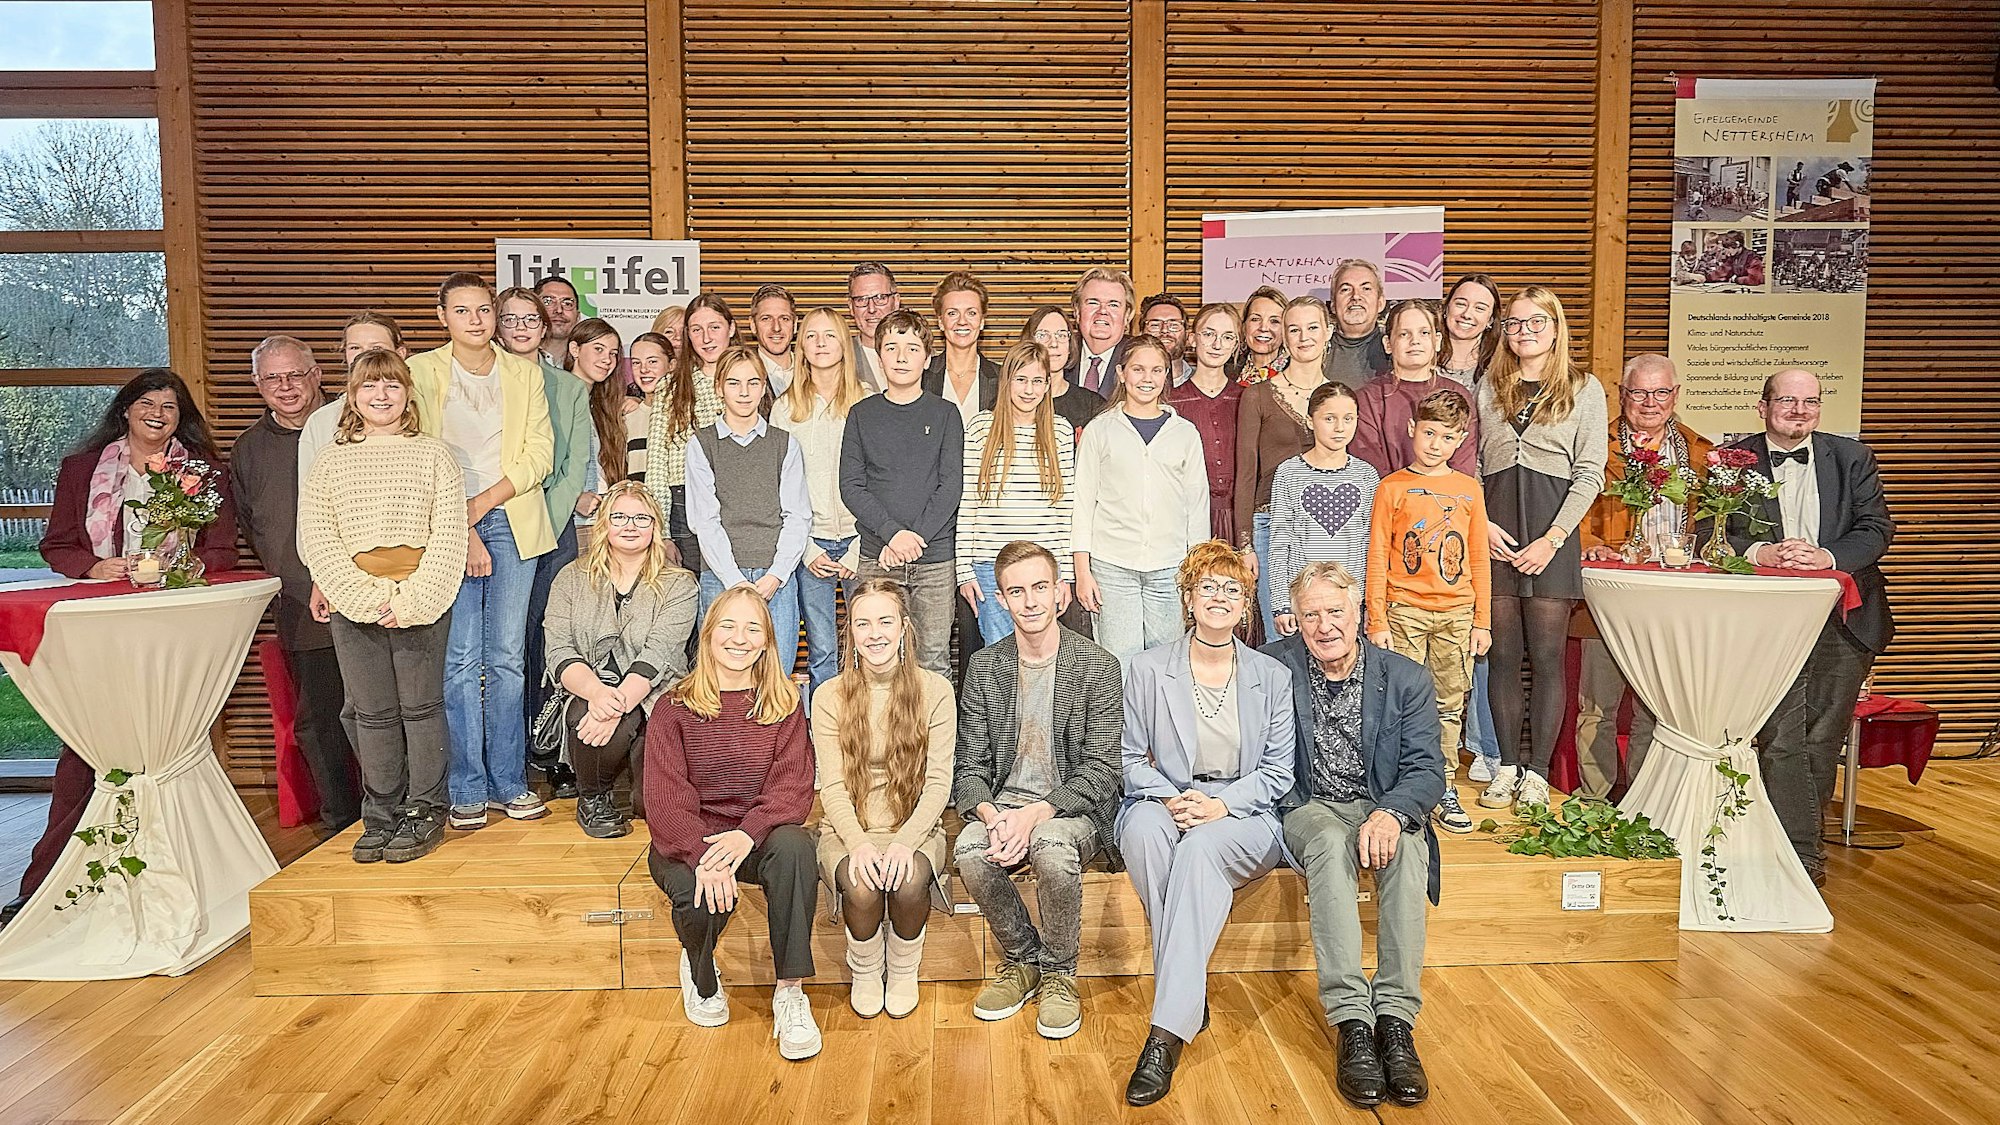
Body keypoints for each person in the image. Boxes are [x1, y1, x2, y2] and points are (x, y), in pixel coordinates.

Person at [11, 370, 241, 926]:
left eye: (169, 405)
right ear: (125, 410)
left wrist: (177, 568)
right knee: (88, 746)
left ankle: (178, 882)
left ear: (181, 417)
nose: (158, 413)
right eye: (147, 403)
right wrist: (95, 566)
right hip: (100, 625)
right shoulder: (82, 469)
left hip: (171, 627)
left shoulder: (205, 472)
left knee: (168, 743)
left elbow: (223, 550)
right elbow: (57, 544)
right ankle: (44, 885)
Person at [1116, 541, 1294, 1106]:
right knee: (1142, 833)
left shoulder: (1272, 676)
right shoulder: (1146, 668)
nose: (1219, 597)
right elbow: (1130, 759)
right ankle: (1188, 988)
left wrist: (1221, 806)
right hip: (1167, 797)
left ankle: (1165, 1033)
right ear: (1188, 599)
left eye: (1231, 589)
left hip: (1244, 812)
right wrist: (1174, 799)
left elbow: (1278, 772)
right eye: (1207, 587)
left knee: (1198, 851)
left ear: (1246, 605)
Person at [1265, 561, 1443, 1110]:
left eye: (1335, 611)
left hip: (1379, 802)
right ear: (1295, 620)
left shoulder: (1406, 678)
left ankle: (1395, 1020)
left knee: (1407, 848)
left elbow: (1427, 769)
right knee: (1327, 841)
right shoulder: (1272, 667)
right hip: (1309, 804)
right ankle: (1352, 1024)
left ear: (1358, 609)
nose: (1324, 626)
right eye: (1310, 615)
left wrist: (1392, 813)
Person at [298, 349, 468, 864]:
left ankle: (425, 810)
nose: (381, 395)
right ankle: (381, 813)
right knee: (372, 713)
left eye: (392, 385)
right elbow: (318, 537)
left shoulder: (435, 455)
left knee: (421, 708)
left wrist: (413, 599)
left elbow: (449, 535)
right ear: (352, 397)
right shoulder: (331, 460)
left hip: (421, 596)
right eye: (369, 386)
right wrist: (365, 598)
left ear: (407, 394)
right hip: (356, 600)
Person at [953, 541, 1124, 1040]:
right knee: (969, 850)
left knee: (1049, 846)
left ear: (1060, 593)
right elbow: (969, 768)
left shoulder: (1098, 665)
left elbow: (1103, 771)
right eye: (1016, 591)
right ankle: (1024, 958)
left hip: (1074, 809)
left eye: (1039, 588)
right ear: (1001, 599)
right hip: (1006, 806)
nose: (1029, 601)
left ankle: (1060, 972)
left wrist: (1036, 815)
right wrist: (992, 816)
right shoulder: (985, 666)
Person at [1730, 369, 1895, 887]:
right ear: (1763, 407)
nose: (1799, 410)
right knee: (1781, 737)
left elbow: (1877, 529)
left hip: (1844, 619)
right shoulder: (1732, 459)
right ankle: (1798, 858)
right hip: (1769, 622)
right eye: (1787, 400)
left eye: (1810, 401)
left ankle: (1797, 851)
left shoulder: (1852, 458)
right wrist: (1762, 552)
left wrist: (1827, 556)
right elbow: (1716, 530)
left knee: (1822, 738)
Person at [407, 272, 558, 831]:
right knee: (461, 660)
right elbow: (418, 450)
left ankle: (510, 782)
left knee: (508, 657)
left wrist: (485, 502)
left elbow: (540, 453)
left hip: (512, 516)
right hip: (444, 521)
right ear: (442, 317)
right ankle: (466, 786)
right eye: (462, 310)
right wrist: (462, 521)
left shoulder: (524, 372)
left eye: (483, 310)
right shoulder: (420, 371)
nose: (475, 320)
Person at [643, 585, 820, 1059]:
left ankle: (790, 992)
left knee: (797, 847)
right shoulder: (673, 708)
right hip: (688, 839)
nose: (739, 638)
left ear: (767, 641)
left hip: (754, 837)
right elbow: (665, 801)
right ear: (708, 634)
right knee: (700, 896)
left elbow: (792, 789)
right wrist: (706, 856)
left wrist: (746, 835)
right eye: (728, 626)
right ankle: (700, 973)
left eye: (752, 628)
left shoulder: (784, 704)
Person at [1474, 286, 1607, 812]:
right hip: (1496, 531)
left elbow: (1590, 472)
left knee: (1548, 658)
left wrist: (1553, 539)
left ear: (1555, 328)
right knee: (1503, 656)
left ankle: (1537, 774)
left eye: (1536, 322)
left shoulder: (1584, 388)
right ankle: (1506, 766)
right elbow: (1473, 464)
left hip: (1552, 535)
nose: (1524, 331)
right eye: (1514, 323)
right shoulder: (1489, 386)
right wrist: (1482, 523)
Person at [231, 334, 361, 835]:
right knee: (319, 719)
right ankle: (341, 822)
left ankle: (392, 812)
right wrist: (299, 581)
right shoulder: (249, 450)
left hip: (370, 595)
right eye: (273, 378)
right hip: (302, 603)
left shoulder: (354, 424)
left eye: (295, 374)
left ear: (317, 375)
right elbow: (255, 529)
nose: (286, 386)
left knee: (380, 712)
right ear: (257, 384)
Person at [811, 579, 956, 1019]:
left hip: (914, 827)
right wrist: (858, 844)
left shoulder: (936, 691)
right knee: (862, 885)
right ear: (850, 633)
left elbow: (938, 784)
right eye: (863, 624)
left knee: (909, 880)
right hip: (848, 828)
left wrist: (904, 842)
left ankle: (905, 968)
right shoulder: (828, 696)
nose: (874, 633)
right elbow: (832, 787)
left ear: (904, 628)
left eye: (885, 621)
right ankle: (867, 969)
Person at [1574, 354, 1713, 799]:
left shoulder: (1700, 452)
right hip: (1610, 597)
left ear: (1676, 395)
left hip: (1674, 600)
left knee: (1654, 709)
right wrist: (1588, 542)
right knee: (1598, 705)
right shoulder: (1595, 444)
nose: (1650, 402)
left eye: (1660, 392)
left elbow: (1713, 522)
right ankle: (1594, 800)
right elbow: (1571, 508)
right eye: (1639, 392)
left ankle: (1642, 800)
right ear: (1622, 394)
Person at [1365, 389, 1492, 835]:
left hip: (1456, 614)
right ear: (1412, 430)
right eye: (1430, 433)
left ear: (1461, 440)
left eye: (1448, 437)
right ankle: (1399, 787)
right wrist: (1376, 618)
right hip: (1404, 611)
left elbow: (1478, 557)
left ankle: (1443, 785)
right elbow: (1377, 555)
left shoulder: (1468, 490)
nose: (1436, 444)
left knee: (1449, 705)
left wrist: (1482, 621)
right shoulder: (1392, 487)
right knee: (1398, 702)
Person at [543, 482, 698, 837]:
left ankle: (639, 780)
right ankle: (593, 796)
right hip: (589, 690)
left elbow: (660, 652)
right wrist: (598, 694)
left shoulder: (680, 584)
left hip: (656, 693)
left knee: (651, 807)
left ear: (655, 526)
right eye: (620, 517)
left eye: (641, 518)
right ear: (604, 524)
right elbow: (559, 650)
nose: (630, 526)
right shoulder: (570, 578)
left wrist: (616, 705)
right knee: (585, 712)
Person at [499, 290, 594, 795]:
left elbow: (573, 465)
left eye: (529, 319)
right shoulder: (485, 382)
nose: (520, 327)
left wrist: (541, 526)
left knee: (550, 640)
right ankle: (506, 757)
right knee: (503, 648)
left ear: (544, 327)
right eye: (509, 319)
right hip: (494, 529)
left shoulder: (568, 388)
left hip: (550, 532)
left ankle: (550, 749)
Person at [839, 308, 963, 678]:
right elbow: (851, 486)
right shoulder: (861, 414)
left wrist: (913, 540)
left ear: (927, 358)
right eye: (891, 348)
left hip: (935, 560)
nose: (901, 357)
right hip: (878, 558)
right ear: (879, 357)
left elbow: (950, 486)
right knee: (874, 663)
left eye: (912, 348)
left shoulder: (946, 414)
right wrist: (892, 534)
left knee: (933, 661)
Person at [1074, 337, 1210, 661]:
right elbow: (1082, 503)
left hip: (1171, 566)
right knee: (1119, 659)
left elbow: (1197, 506)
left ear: (1166, 375)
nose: (1147, 378)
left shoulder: (1185, 433)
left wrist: (1197, 572)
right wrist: (1082, 571)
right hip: (1112, 565)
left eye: (1156, 370)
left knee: (1169, 660)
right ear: (1122, 373)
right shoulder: (1100, 430)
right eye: (1138, 369)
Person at [685, 344, 811, 671]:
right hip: (720, 574)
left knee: (777, 673)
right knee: (719, 674)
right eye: (734, 383)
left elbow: (797, 516)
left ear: (763, 387)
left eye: (753, 383)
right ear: (719, 388)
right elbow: (704, 520)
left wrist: (777, 574)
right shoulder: (702, 444)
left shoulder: (784, 444)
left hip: (775, 578)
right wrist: (734, 579)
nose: (744, 392)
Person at [772, 307, 867, 692]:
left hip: (863, 542)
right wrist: (806, 549)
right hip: (810, 543)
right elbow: (777, 487)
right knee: (822, 648)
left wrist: (861, 545)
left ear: (844, 344)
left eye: (830, 335)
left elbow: (881, 481)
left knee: (870, 645)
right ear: (801, 346)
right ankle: (826, 724)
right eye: (811, 335)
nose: (821, 343)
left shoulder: (868, 400)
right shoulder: (785, 408)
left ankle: (871, 722)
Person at [957, 339, 1075, 645]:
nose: (1028, 389)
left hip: (1043, 564)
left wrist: (1065, 574)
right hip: (990, 563)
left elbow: (1065, 508)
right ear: (1006, 381)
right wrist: (964, 571)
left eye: (1037, 381)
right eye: (1020, 380)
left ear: (1048, 385)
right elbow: (968, 501)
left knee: (1041, 649)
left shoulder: (1060, 430)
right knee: (1000, 651)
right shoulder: (981, 428)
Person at [1234, 299, 1323, 638]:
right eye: (1294, 329)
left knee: (1326, 632)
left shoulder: (1339, 396)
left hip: (1326, 527)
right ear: (1284, 336)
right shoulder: (1258, 395)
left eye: (1312, 327)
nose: (1304, 337)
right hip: (1270, 525)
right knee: (1281, 634)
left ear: (1328, 332)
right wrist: (1245, 545)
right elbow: (1246, 475)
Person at [1268, 381, 1380, 639]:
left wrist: (1367, 603)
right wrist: (1281, 603)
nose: (1340, 428)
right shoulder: (1289, 473)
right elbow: (1280, 541)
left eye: (1348, 419)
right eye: (1329, 418)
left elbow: (1369, 544)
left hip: (1348, 600)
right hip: (1303, 598)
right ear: (1310, 421)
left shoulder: (1366, 475)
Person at [645, 292, 731, 573]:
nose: (706, 338)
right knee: (690, 591)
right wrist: (662, 532)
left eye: (714, 327)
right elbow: (657, 463)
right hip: (684, 502)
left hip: (738, 501)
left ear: (730, 328)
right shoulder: (670, 386)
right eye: (696, 330)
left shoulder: (751, 380)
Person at [1353, 300, 1480, 478]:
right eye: (1404, 334)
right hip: (1388, 493)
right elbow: (1368, 467)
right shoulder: (1367, 399)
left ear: (1437, 341)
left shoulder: (1458, 395)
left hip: (1446, 494)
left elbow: (1462, 466)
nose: (1415, 341)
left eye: (1424, 333)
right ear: (1388, 344)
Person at [298, 311, 411, 486]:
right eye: (354, 348)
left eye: (376, 348)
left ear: (400, 353)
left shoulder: (425, 410)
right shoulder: (322, 420)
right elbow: (309, 492)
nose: (364, 356)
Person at [1166, 303, 1246, 546]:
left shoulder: (1246, 398)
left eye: (1227, 337)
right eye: (1209, 334)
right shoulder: (1172, 401)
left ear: (1237, 345)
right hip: (1183, 519)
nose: (1217, 344)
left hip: (1238, 519)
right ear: (1192, 339)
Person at [923, 270, 1000, 425]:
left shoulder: (1003, 378)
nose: (962, 321)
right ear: (940, 322)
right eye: (952, 313)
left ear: (982, 321)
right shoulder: (922, 375)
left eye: (971, 313)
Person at [1022, 304, 1103, 438]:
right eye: (1043, 335)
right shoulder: (1013, 400)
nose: (1054, 343)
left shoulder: (1092, 404)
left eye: (1061, 335)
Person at [1069, 267, 1135, 398]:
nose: (1103, 311)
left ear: (1127, 315)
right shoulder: (1059, 355)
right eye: (1093, 303)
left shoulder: (1140, 358)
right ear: (1077, 311)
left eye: (1113, 305)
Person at [1327, 259, 1389, 388]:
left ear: (1380, 303)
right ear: (1333, 305)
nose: (1355, 296)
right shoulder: (1316, 349)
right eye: (1346, 289)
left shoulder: (1395, 346)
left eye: (1366, 289)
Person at [1437, 273, 1501, 387]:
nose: (1467, 314)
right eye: (1461, 304)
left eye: (1479, 308)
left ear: (1490, 320)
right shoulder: (1421, 355)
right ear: (1446, 308)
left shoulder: (1501, 364)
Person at [846, 261, 900, 389]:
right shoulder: (840, 358)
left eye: (880, 298)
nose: (871, 309)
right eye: (861, 300)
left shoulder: (923, 356)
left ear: (896, 302)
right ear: (851, 307)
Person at [749, 284, 799, 396]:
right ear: (753, 325)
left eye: (784, 319)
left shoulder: (812, 372)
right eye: (766, 319)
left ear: (795, 324)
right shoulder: (740, 372)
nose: (776, 328)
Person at [1237, 285, 1289, 385]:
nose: (1263, 328)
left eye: (1274, 321)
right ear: (1244, 326)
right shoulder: (1227, 369)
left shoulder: (1297, 373)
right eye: (1255, 319)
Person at [1139, 293, 1191, 381]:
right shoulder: (1126, 382)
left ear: (1187, 334)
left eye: (1174, 325)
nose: (1164, 330)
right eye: (1155, 325)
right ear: (1141, 333)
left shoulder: (1204, 383)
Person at [535, 275, 581, 367]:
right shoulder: (513, 360)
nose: (559, 310)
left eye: (567, 303)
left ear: (578, 316)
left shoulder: (590, 363)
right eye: (548, 302)